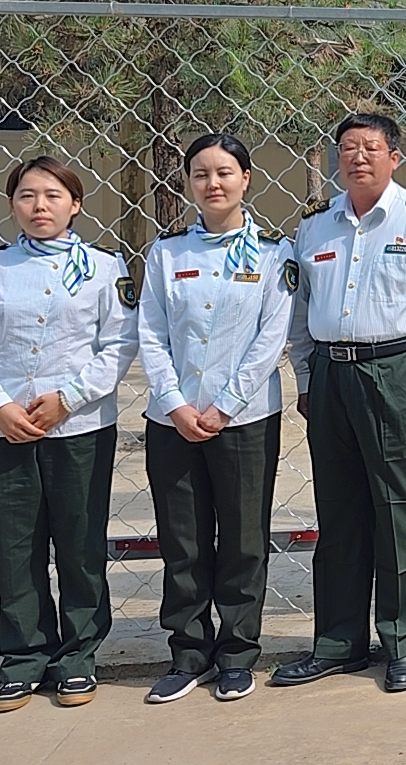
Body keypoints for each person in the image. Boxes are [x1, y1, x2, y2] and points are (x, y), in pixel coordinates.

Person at [272, 113, 406, 693]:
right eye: (348, 148)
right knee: (338, 514)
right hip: (330, 376)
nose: (358, 157)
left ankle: (402, 643)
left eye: (371, 147)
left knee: (399, 512)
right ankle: (338, 644)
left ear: (394, 158)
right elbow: (300, 315)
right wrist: (306, 378)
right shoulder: (315, 226)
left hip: (397, 371)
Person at [0, 156, 139, 713]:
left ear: (75, 204)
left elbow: (119, 344)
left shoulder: (104, 267)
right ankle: (24, 658)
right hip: (0, 434)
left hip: (78, 430)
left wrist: (68, 399)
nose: (39, 207)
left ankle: (78, 658)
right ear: (12, 205)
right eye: (27, 196)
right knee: (16, 549)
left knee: (80, 545)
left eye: (53, 196)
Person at [138, 134, 296, 704]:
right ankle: (188, 653)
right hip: (172, 420)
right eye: (200, 173)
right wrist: (175, 403)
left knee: (243, 539)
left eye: (225, 172)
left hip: (246, 419)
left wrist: (225, 404)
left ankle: (236, 653)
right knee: (183, 542)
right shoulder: (167, 253)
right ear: (187, 182)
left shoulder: (275, 253)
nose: (213, 183)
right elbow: (151, 332)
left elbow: (270, 339)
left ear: (246, 178)